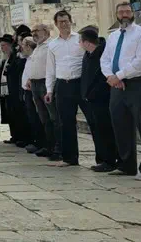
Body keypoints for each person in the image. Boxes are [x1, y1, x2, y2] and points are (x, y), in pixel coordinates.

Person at [101, 2, 141, 181]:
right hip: (117, 86)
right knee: (120, 124)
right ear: (116, 14)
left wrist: (120, 75)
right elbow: (105, 59)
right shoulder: (113, 36)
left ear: (133, 13)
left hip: (138, 83)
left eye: (127, 11)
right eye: (120, 12)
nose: (124, 14)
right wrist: (112, 77)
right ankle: (127, 164)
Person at [46, 10, 89, 167]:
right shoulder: (53, 45)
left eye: (66, 21)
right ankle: (70, 158)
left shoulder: (81, 39)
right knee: (66, 123)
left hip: (81, 84)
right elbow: (50, 69)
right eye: (60, 22)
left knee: (93, 120)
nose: (64, 24)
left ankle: (105, 159)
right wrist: (49, 90)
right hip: (63, 85)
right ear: (56, 25)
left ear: (71, 21)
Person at [78, 26, 119, 172]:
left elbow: (103, 77)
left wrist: (92, 93)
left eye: (80, 41)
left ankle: (110, 160)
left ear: (87, 42)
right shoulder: (88, 55)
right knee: (98, 130)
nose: (79, 44)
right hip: (91, 99)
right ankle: (102, 158)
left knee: (106, 129)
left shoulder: (102, 54)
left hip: (102, 98)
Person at [27, 24, 61, 160]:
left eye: (37, 31)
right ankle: (49, 146)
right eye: (32, 31)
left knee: (54, 117)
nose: (34, 33)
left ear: (46, 32)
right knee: (44, 118)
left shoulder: (51, 45)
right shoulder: (38, 47)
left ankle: (58, 148)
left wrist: (50, 87)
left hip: (45, 84)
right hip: (35, 84)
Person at [0, 34, 29, 147]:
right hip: (6, 90)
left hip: (14, 89)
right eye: (1, 46)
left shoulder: (15, 57)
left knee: (18, 113)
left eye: (4, 45)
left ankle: (21, 137)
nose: (2, 48)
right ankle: (14, 136)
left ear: (10, 45)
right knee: (10, 113)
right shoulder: (5, 59)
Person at [20, 36, 46, 155]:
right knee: (32, 118)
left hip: (34, 90)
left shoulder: (35, 57)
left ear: (29, 46)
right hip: (28, 91)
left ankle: (42, 143)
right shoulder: (29, 58)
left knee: (37, 117)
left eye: (24, 45)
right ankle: (37, 142)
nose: (22, 48)